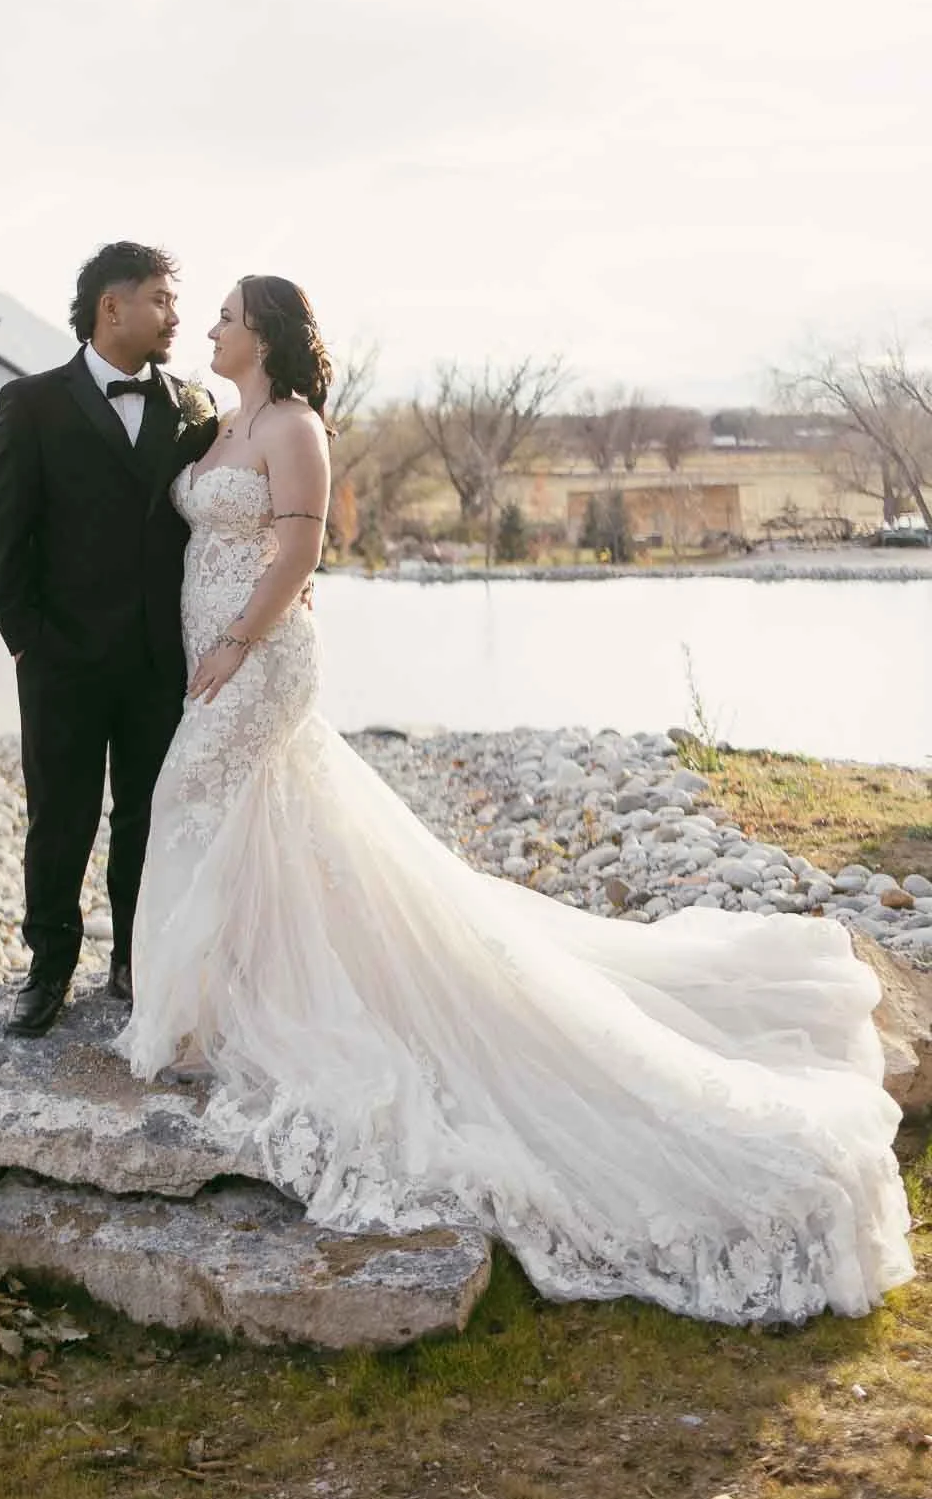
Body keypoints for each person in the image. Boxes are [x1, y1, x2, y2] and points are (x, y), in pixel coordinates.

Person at [113, 275, 914, 1324]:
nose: (208, 328)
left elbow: (303, 547)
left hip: (257, 662)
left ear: (260, 330)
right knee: (260, 829)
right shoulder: (221, 423)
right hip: (214, 654)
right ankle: (236, 998)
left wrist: (233, 640)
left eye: (222, 315)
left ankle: (224, 1004)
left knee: (199, 802)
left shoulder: (296, 426)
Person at [0, 241, 219, 1036]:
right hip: (61, 660)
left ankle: (132, 961)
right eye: (158, 299)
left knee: (147, 816)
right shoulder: (31, 403)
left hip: (160, 658)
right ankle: (48, 970)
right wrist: (25, 640)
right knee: (60, 817)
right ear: (109, 308)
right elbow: (4, 531)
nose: (174, 315)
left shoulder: (195, 407)